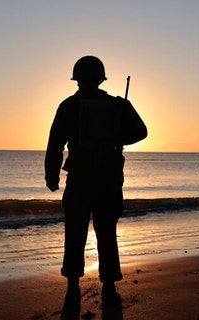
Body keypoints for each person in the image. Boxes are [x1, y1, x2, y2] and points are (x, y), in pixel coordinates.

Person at [44, 56, 147, 309]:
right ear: (101, 78)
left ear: (77, 79)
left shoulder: (69, 105)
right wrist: (116, 136)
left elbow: (55, 143)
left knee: (75, 233)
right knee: (107, 233)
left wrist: (52, 175)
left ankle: (72, 287)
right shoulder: (118, 105)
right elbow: (141, 132)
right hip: (109, 181)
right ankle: (109, 286)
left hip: (79, 180)